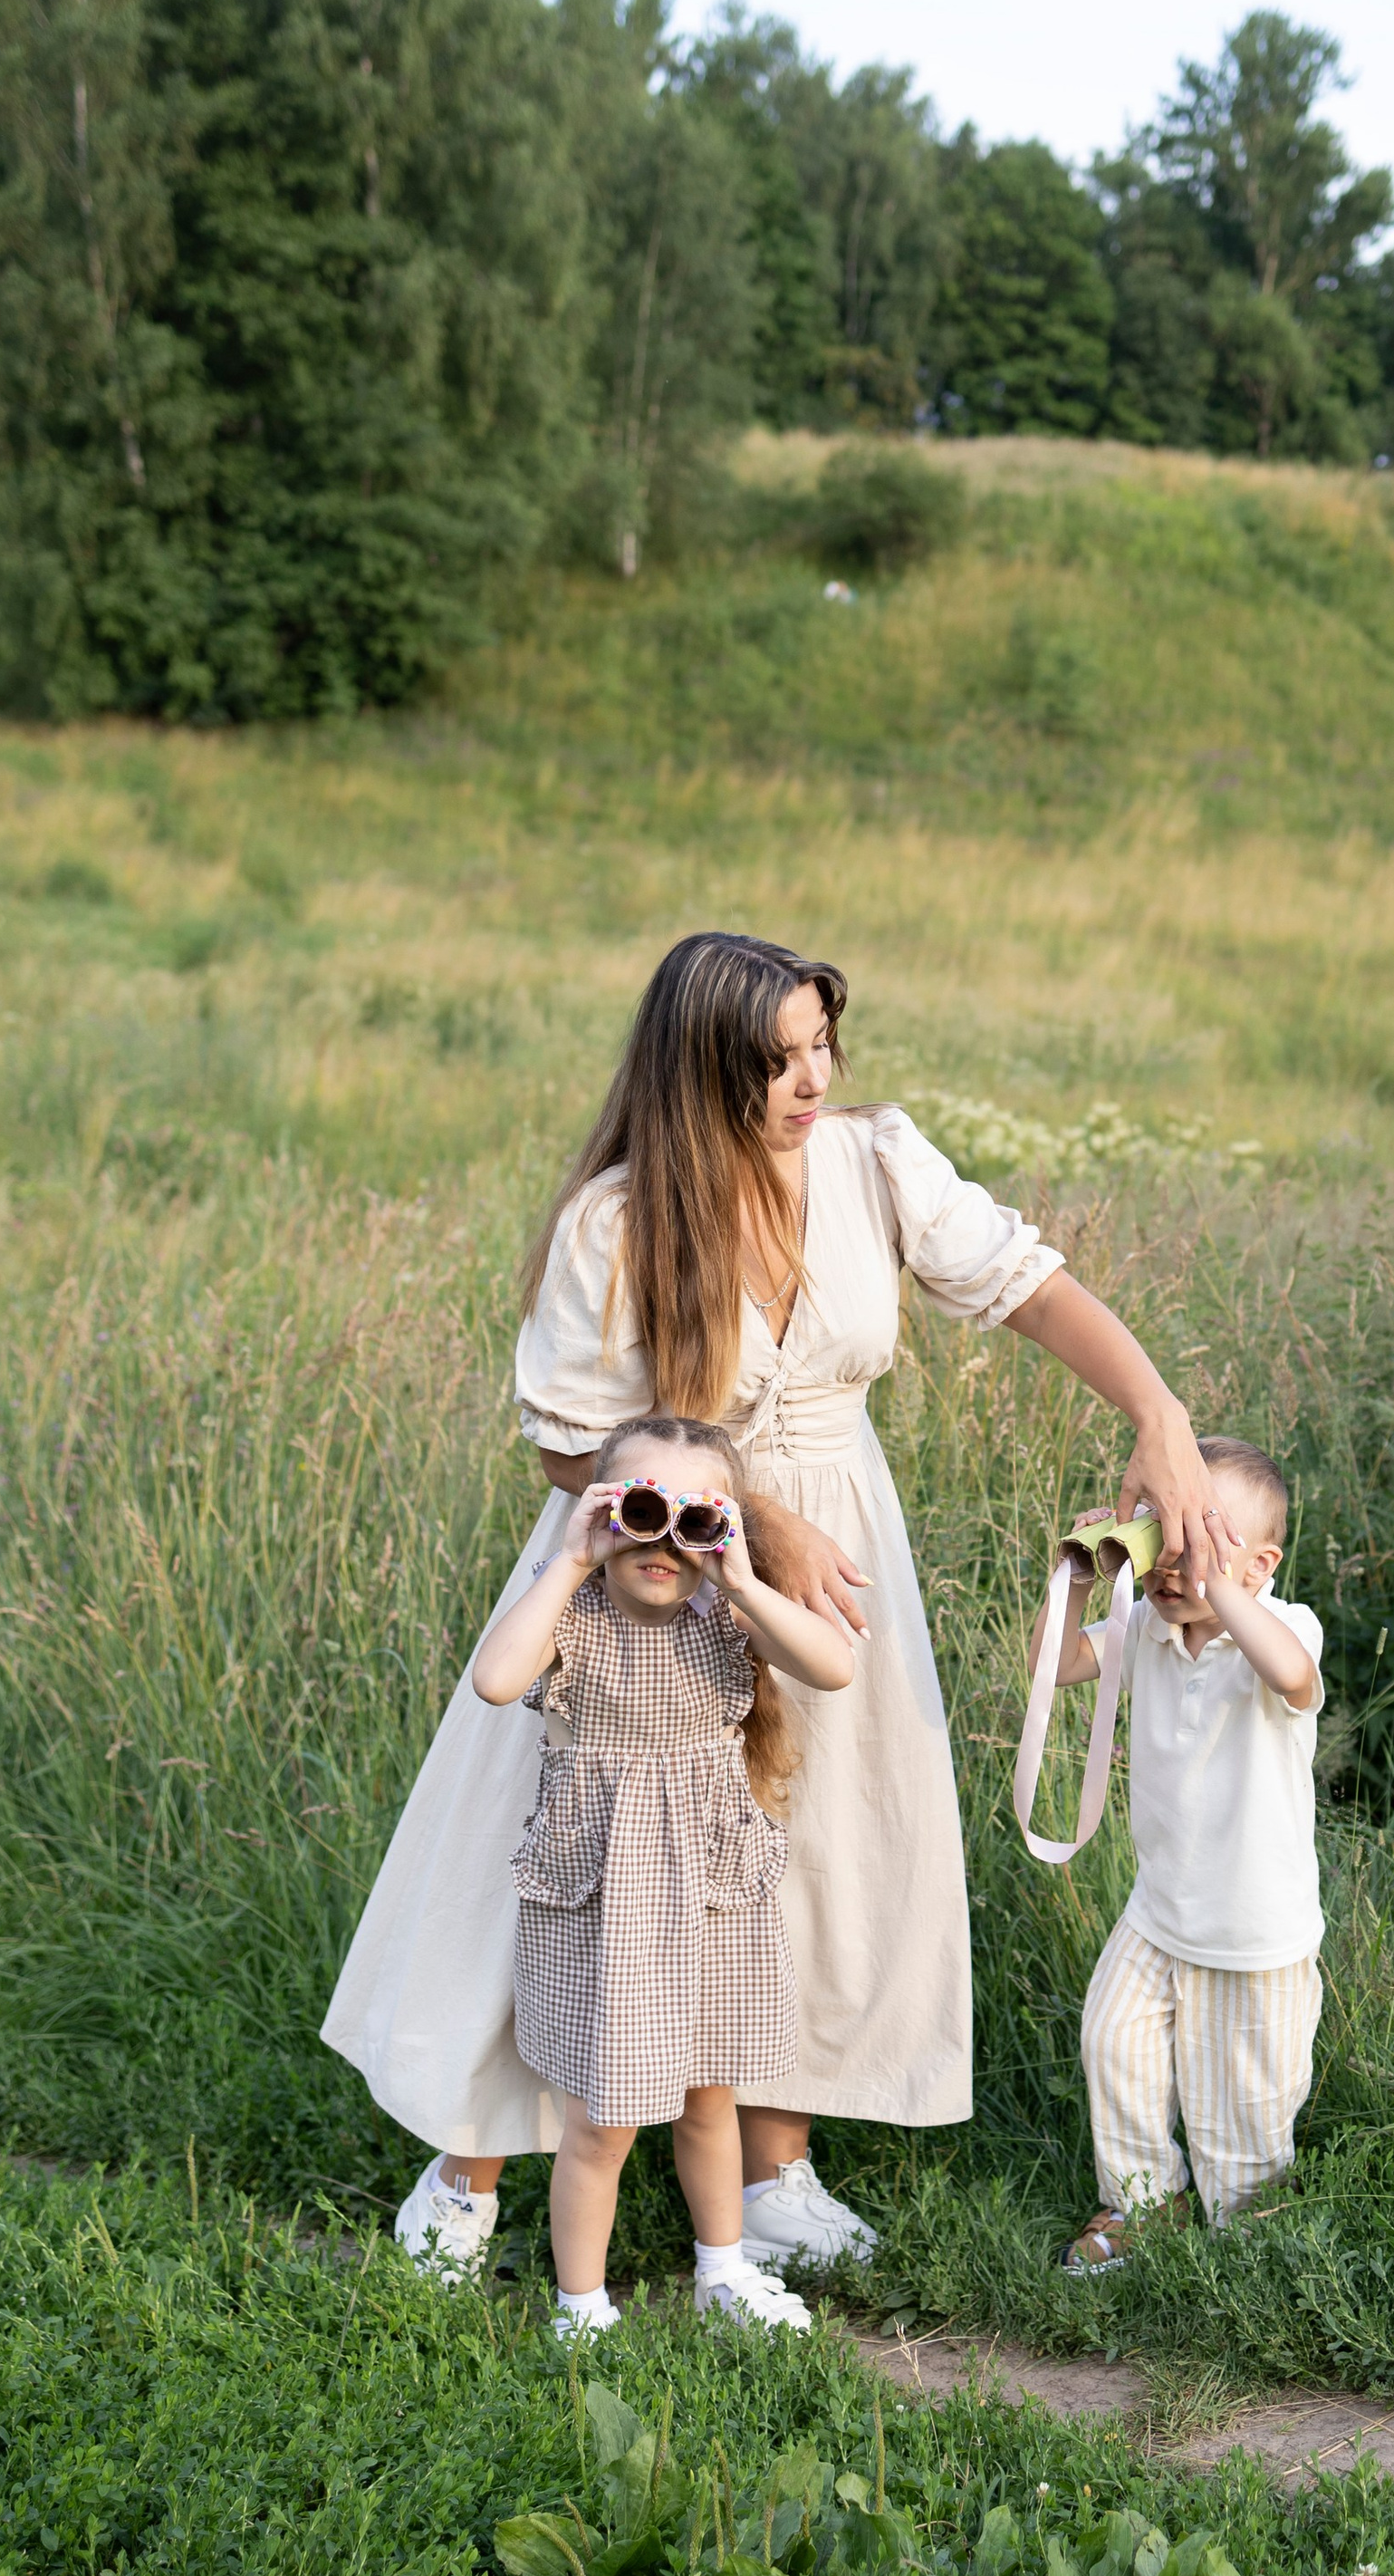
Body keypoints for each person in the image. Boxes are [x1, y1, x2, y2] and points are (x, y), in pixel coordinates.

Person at [322, 928, 1235, 2282]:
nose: (812, 1082)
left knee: (815, 1851)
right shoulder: (619, 1219)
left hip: (834, 1553)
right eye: (778, 1061)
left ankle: (777, 2169)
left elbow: (1029, 1289)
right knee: (566, 1853)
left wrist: (1158, 1413)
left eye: (821, 1046)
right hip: (650, 1558)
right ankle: (469, 2163)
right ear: (703, 1075)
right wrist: (759, 1516)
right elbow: (571, 1437)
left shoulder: (875, 1163)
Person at [471, 1413, 851, 2336]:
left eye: (691, 1517)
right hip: (603, 1904)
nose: (661, 1537)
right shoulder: (576, 1617)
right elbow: (494, 1678)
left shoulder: (726, 1613)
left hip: (710, 1895)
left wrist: (743, 1574)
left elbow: (832, 1667)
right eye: (641, 1508)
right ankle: (580, 2306)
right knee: (599, 2124)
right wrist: (569, 1560)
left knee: (709, 2095)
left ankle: (723, 2274)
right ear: (604, 1514)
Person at [1028, 1435, 1327, 2273]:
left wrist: (1219, 1587)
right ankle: (1139, 2205)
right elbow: (1052, 1668)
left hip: (1254, 1930)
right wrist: (1083, 1574)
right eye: (1160, 1534)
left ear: (1258, 1563)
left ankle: (1250, 2228)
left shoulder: (1280, 1626)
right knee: (1112, 2042)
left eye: (1196, 1536)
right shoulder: (1145, 1627)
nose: (1167, 1565)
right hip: (1158, 1912)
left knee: (1248, 2107)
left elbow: (1295, 1678)